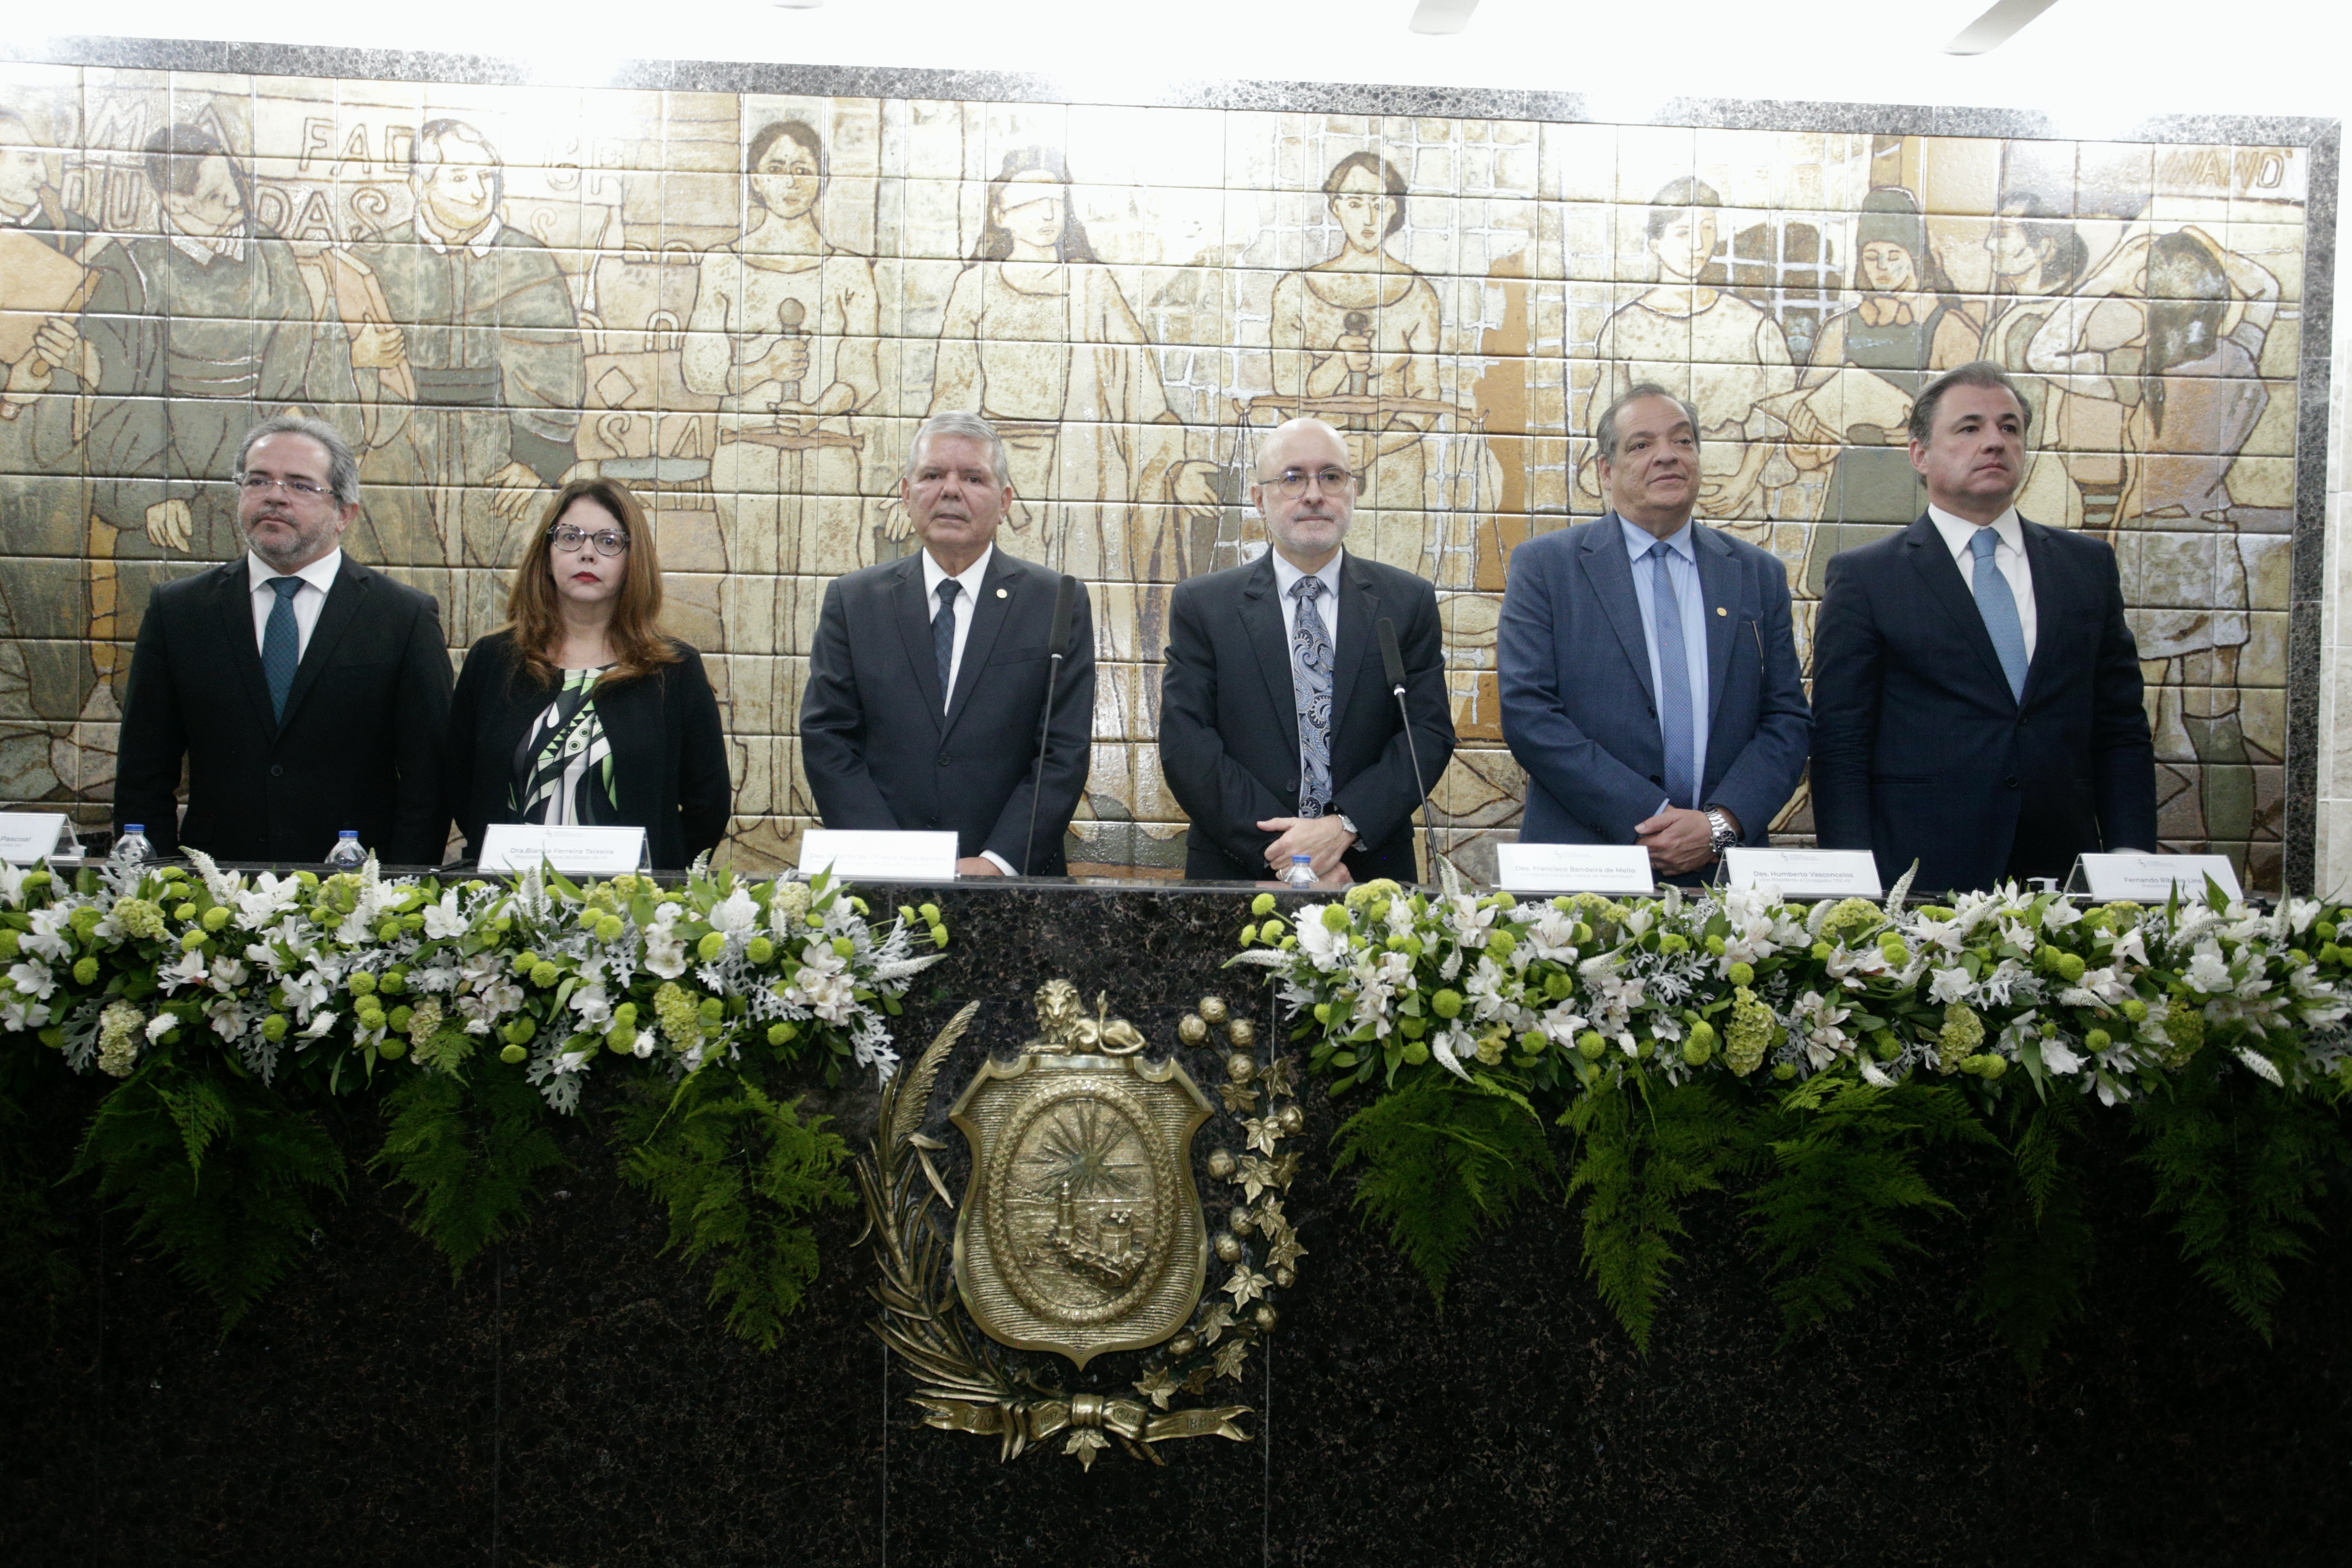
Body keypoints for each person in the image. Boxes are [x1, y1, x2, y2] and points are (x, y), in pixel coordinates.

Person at [1809, 362, 2158, 893]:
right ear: (1920, 455)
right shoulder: (1867, 577)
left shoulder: (2085, 567)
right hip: (1920, 877)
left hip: (2061, 873)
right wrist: (1850, 880)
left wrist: (2132, 858)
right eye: (1970, 428)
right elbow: (1841, 744)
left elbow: (2121, 729)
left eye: (2010, 427)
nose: (1994, 442)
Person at [1499, 386, 1809, 880]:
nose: (1667, 456)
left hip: (1724, 872)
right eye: (1641, 445)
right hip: (1587, 865)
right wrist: (1650, 818)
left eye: (1683, 441)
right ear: (1606, 470)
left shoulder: (1757, 574)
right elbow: (1528, 714)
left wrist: (1718, 825)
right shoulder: (1546, 567)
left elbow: (1787, 721)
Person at [113, 415, 451, 865]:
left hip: (355, 900)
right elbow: (143, 772)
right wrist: (159, 886)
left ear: (344, 513)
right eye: (258, 481)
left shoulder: (402, 616)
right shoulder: (178, 611)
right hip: (212, 893)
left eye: (299, 485)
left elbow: (428, 779)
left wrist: (400, 894)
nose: (274, 496)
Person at [1158, 416, 1455, 884]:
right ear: (1259, 499)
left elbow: (1428, 733)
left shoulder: (1406, 602)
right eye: (1293, 478)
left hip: (1369, 874)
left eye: (1331, 477)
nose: (1314, 494)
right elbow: (1187, 745)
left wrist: (1343, 828)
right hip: (1242, 872)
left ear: (1352, 491)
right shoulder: (1204, 606)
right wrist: (1295, 859)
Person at [799, 411, 1095, 877]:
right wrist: (893, 860)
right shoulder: (853, 601)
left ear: (1004, 502)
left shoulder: (1056, 602)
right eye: (933, 475)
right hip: (880, 882)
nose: (951, 490)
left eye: (973, 478)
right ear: (906, 494)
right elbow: (827, 740)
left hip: (1013, 888)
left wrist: (999, 861)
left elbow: (1063, 751)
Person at [444, 477, 730, 871]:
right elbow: (459, 786)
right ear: (546, 555)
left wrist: (661, 880)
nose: (587, 554)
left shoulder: (673, 669)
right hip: (508, 905)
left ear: (634, 561)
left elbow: (708, 807)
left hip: (629, 913)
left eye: (609, 541)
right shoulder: (493, 660)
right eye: (570, 537)